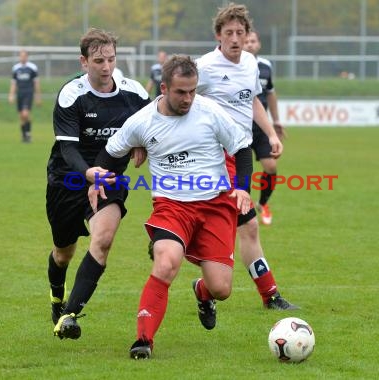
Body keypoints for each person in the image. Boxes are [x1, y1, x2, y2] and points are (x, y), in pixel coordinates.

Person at [90, 55, 253, 359]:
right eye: (181, 92)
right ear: (164, 88)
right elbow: (110, 154)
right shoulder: (142, 121)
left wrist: (242, 188)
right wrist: (97, 178)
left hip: (215, 205)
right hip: (171, 207)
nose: (188, 98)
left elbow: (242, 148)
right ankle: (143, 340)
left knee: (221, 288)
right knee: (166, 262)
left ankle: (202, 292)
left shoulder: (209, 111)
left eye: (193, 91)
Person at [46, 28, 150, 340]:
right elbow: (67, 149)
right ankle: (56, 297)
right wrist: (89, 173)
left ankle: (69, 315)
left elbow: (153, 127)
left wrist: (143, 144)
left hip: (110, 178)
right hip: (68, 177)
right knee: (63, 253)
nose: (106, 67)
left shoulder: (135, 94)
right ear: (84, 62)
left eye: (111, 60)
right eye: (98, 61)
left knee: (102, 240)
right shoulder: (71, 94)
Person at [195, 3, 298, 310]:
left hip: (240, 155)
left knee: (243, 226)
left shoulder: (251, 63)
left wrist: (270, 133)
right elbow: (181, 98)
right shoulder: (206, 66)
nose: (236, 39)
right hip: (213, 157)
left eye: (241, 32)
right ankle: (265, 294)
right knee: (243, 225)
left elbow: (253, 101)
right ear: (218, 35)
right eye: (229, 33)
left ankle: (212, 288)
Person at [244, 29, 287, 225]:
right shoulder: (236, 66)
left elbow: (270, 94)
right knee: (237, 172)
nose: (250, 44)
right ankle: (240, 208)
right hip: (240, 124)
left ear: (259, 44)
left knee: (271, 167)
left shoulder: (266, 66)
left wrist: (276, 122)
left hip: (261, 125)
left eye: (253, 41)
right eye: (247, 41)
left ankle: (263, 204)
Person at [8, 50, 41, 143]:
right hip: (20, 93)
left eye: (24, 56)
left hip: (28, 93)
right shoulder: (16, 68)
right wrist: (11, 95)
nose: (22, 58)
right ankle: (24, 135)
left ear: (27, 57)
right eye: (21, 56)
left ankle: (28, 134)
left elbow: (36, 83)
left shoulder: (32, 67)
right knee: (21, 116)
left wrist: (38, 96)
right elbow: (13, 84)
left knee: (25, 114)